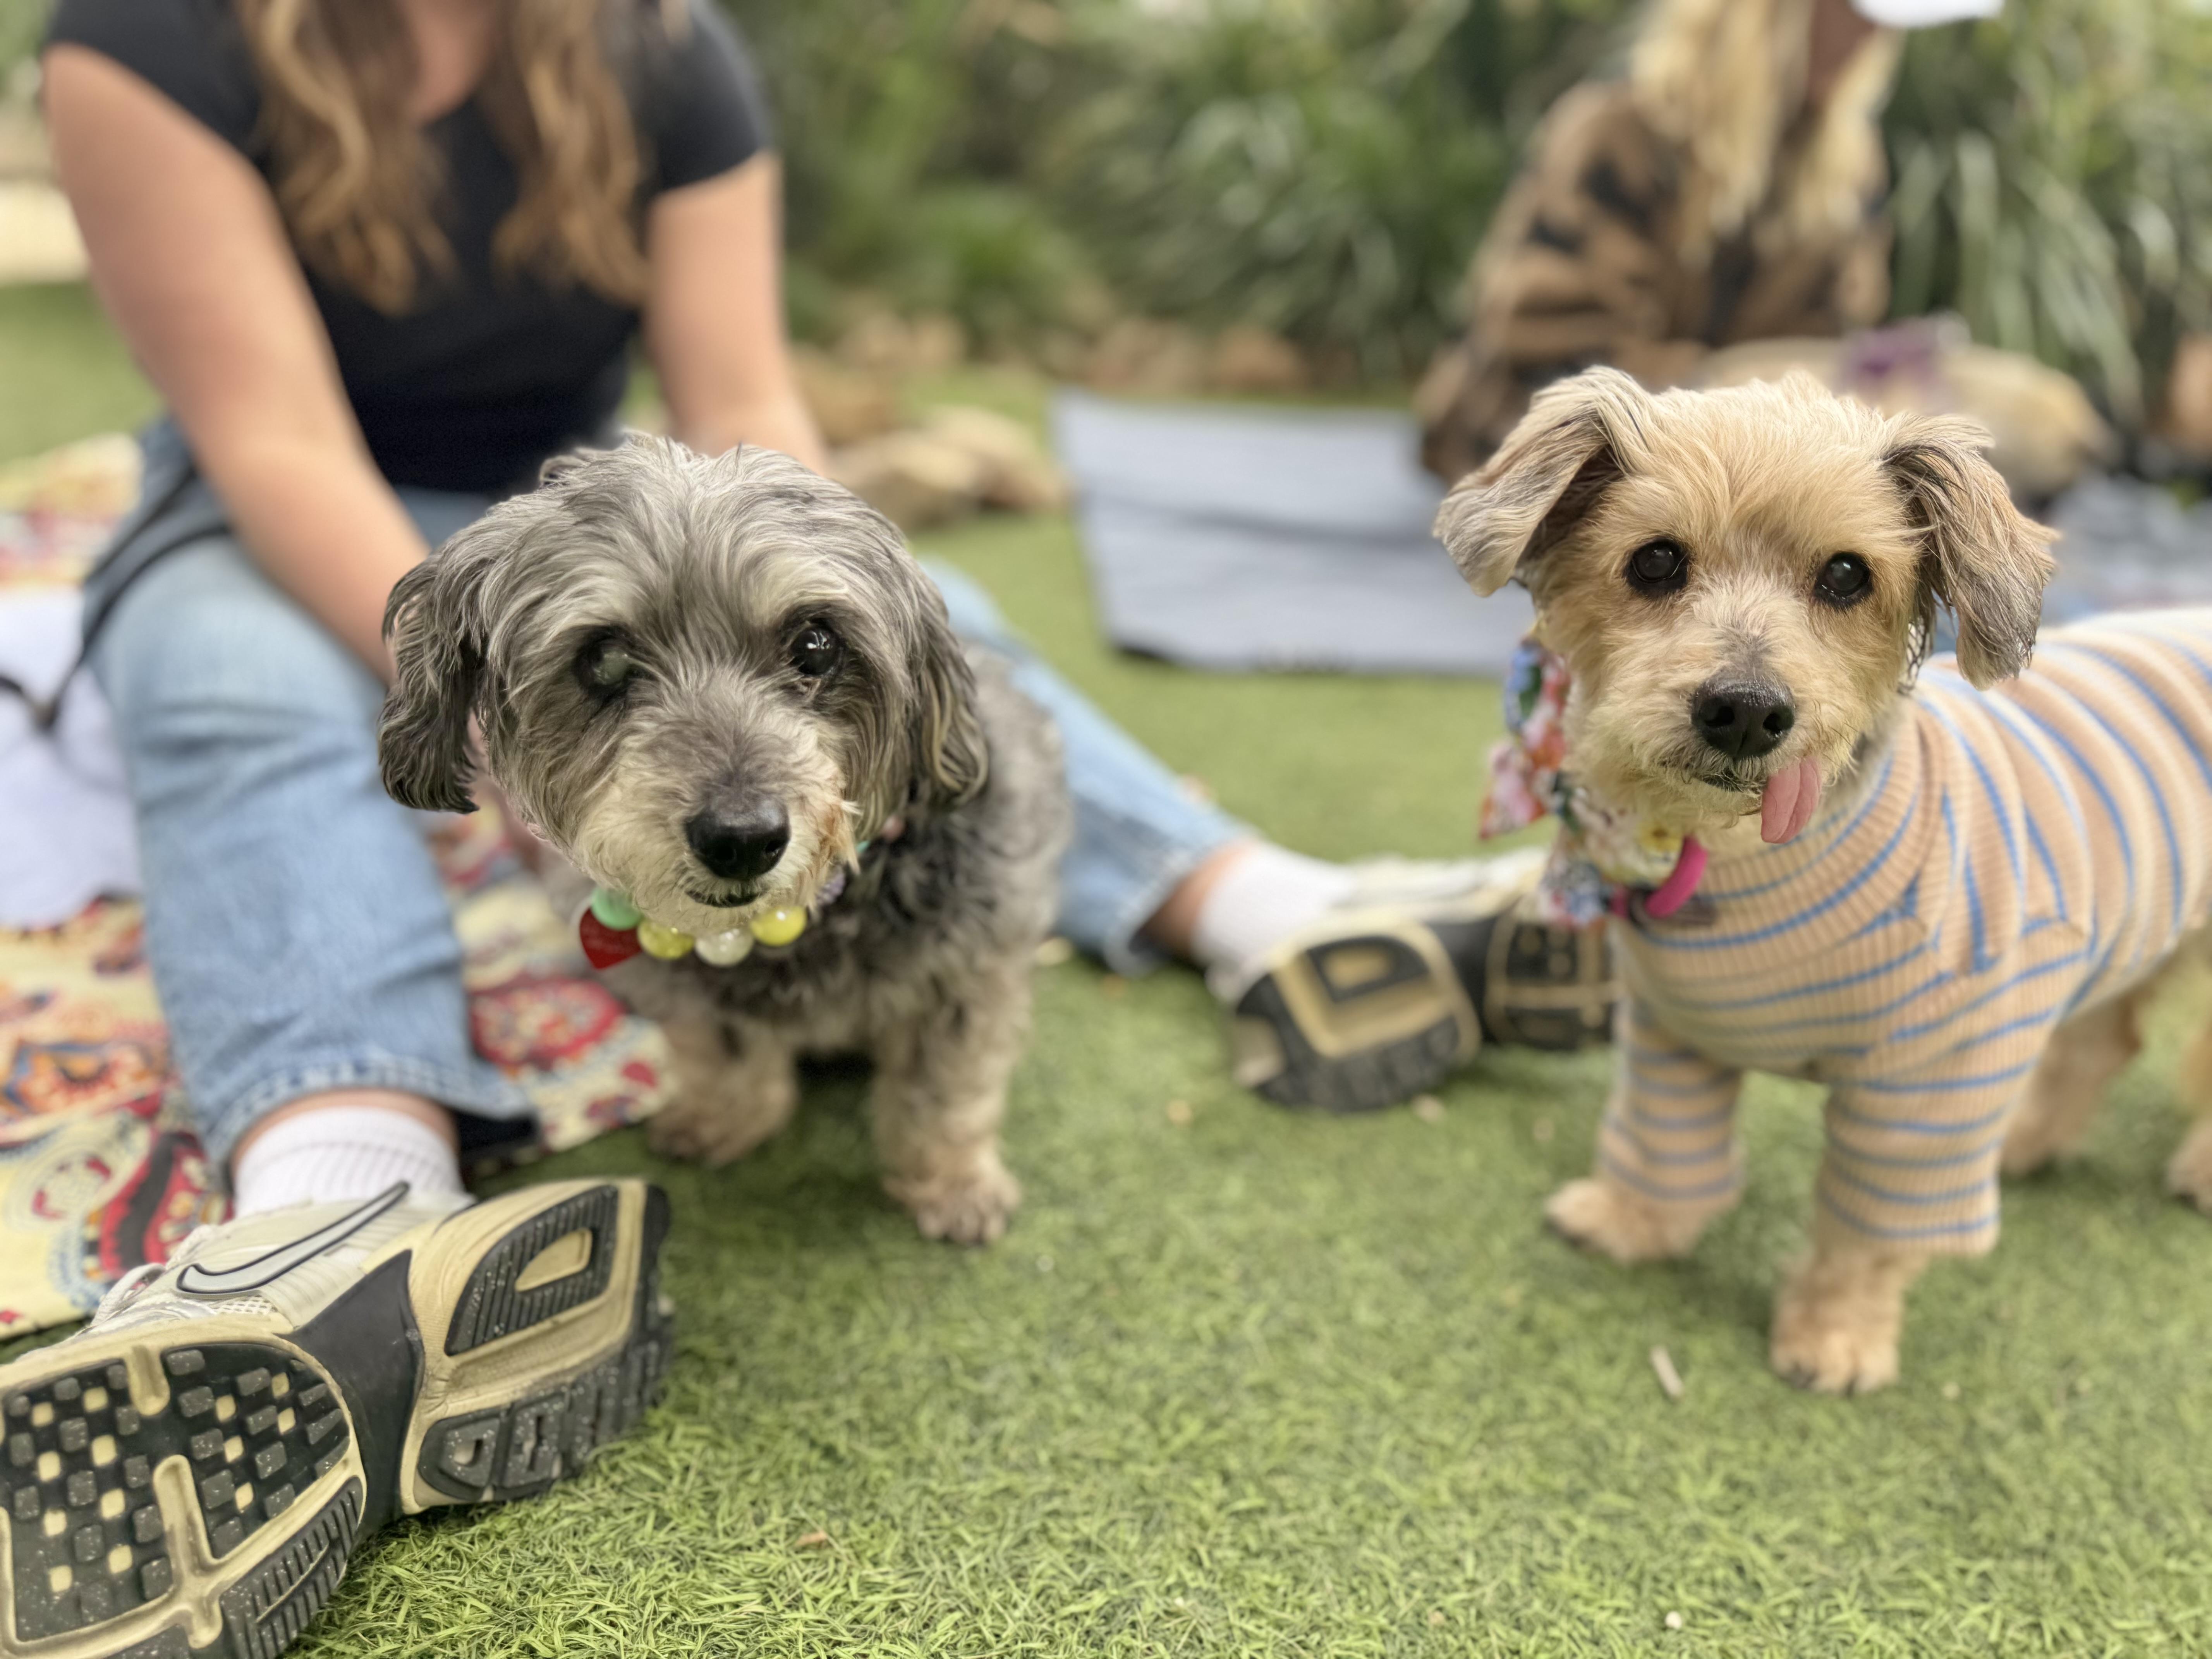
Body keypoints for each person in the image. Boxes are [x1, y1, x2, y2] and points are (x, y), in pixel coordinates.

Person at [5, 3, 1588, 1647]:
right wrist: (519, 736)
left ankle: (1272, 908)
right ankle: (340, 1222)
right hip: (286, 509)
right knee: (238, 692)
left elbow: (748, 401)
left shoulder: (660, 51)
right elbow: (270, 436)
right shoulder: (152, 36)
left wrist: (836, 614)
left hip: (621, 508)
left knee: (935, 618)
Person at [1416, 0, 1999, 484]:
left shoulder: (1847, 167)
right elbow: (1553, 351)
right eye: (1847, 13)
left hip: (1737, 457)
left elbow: (1827, 348)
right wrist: (1743, 394)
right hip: (1544, 445)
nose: (1867, 36)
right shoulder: (1618, 132)